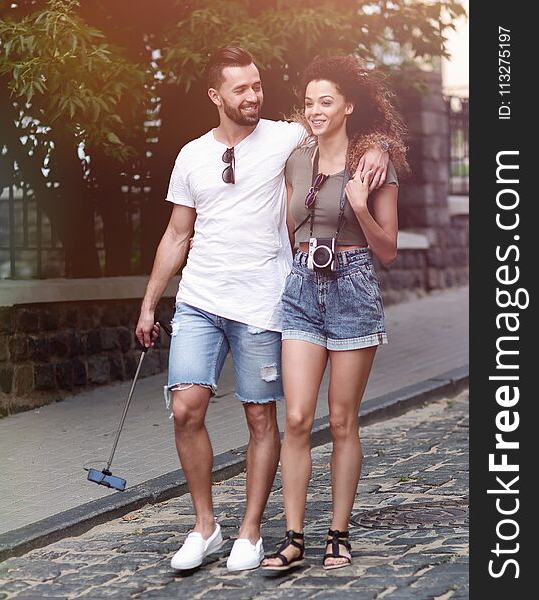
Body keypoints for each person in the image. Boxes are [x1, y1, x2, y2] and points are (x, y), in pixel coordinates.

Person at [135, 47, 394, 573]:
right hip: (241, 296)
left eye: (258, 86)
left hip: (300, 295)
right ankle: (230, 530)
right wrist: (148, 304)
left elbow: (348, 127)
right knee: (220, 411)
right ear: (215, 96)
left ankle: (288, 533)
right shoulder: (222, 154)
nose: (254, 96)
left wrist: (382, 148)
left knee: (302, 418)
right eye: (241, 89)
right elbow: (177, 232)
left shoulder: (300, 141)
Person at [261, 55, 409, 571]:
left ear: (349, 105)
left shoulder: (373, 161)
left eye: (326, 101)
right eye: (309, 102)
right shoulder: (294, 157)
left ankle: (338, 533)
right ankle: (293, 536)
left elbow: (387, 250)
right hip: (303, 288)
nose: (315, 110)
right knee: (297, 418)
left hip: (353, 287)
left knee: (343, 421)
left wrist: (361, 205)